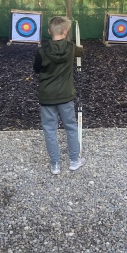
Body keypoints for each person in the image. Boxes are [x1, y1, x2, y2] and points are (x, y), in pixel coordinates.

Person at [33, 16, 85, 175]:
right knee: (71, 127)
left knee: (50, 130)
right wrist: (80, 47)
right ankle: (74, 161)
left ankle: (55, 164)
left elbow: (36, 69)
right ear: (66, 32)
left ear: (49, 32)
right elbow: (81, 52)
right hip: (65, 96)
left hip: (47, 96)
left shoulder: (42, 51)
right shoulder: (71, 48)